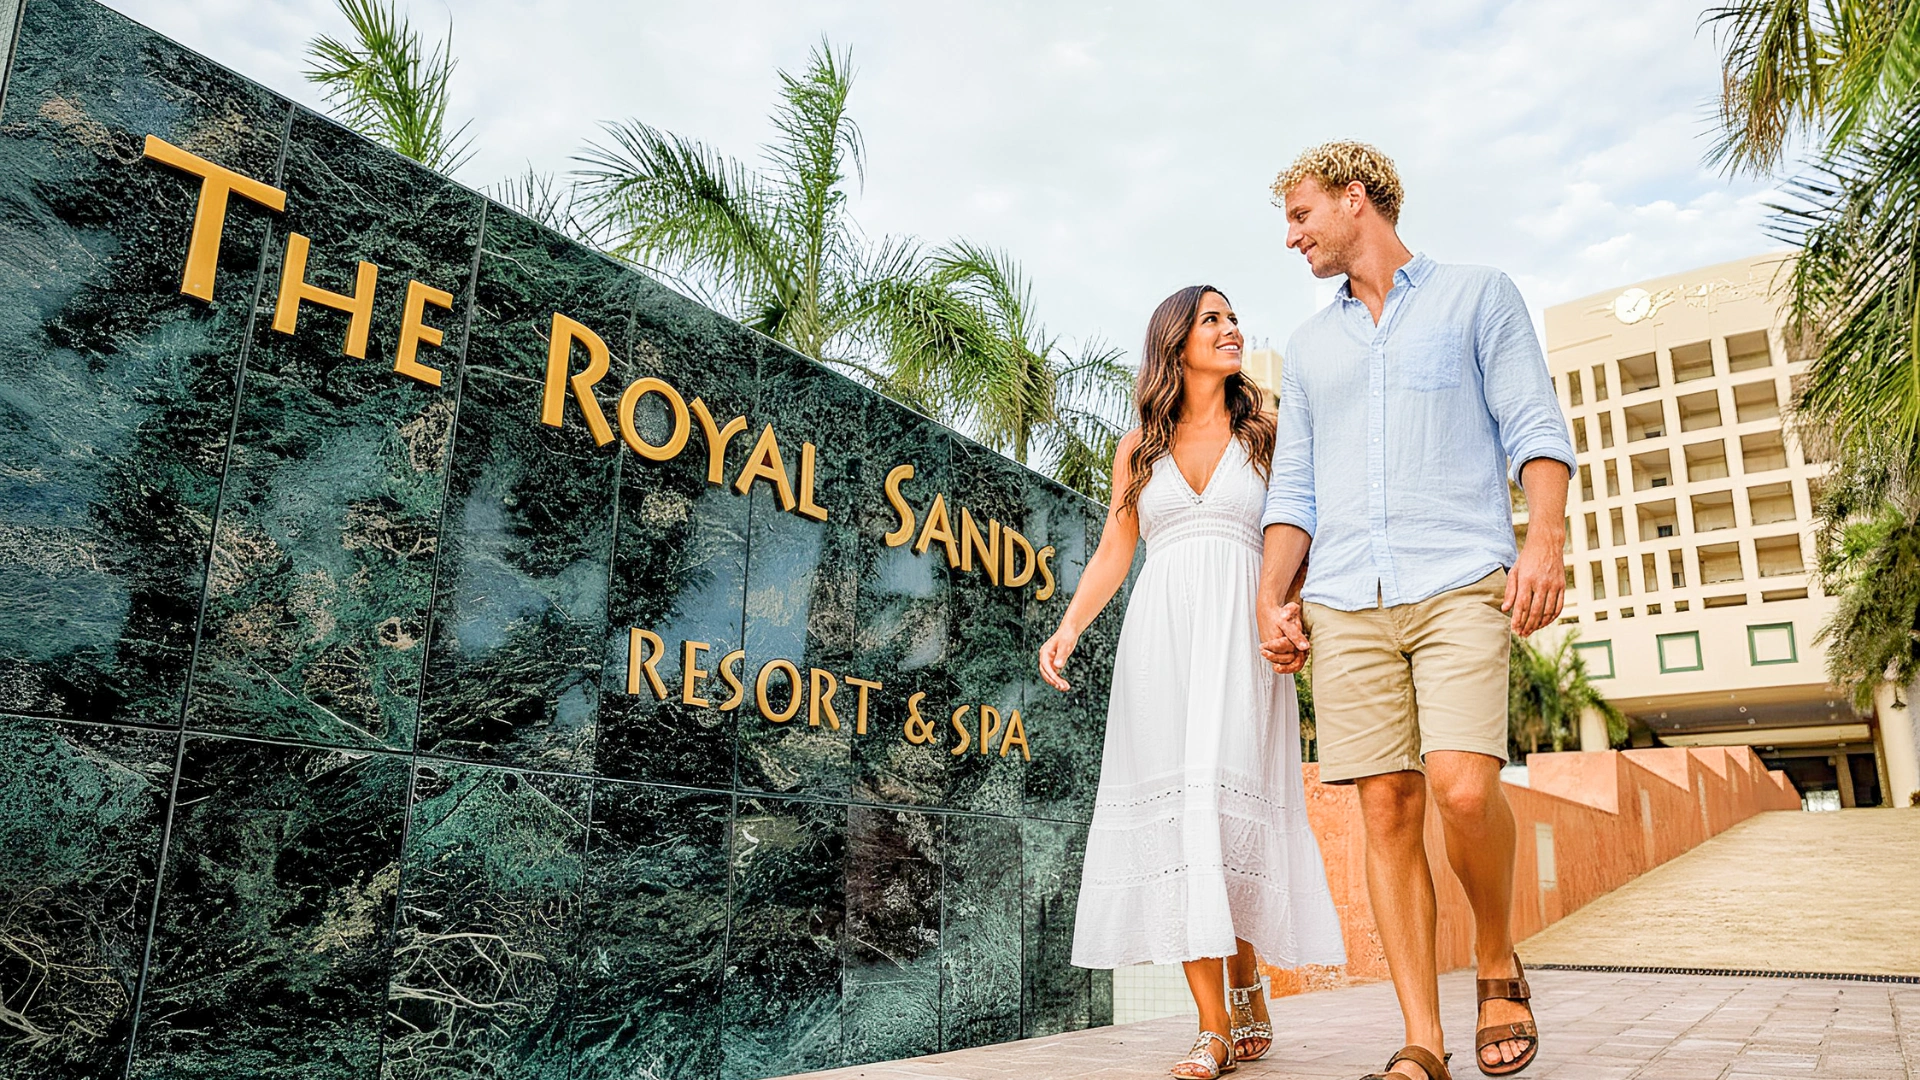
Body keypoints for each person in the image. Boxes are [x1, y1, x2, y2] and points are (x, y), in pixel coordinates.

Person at [1255, 142, 1574, 1080]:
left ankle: (1495, 956)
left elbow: (1533, 426)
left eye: (1301, 215)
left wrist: (1544, 540)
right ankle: (1422, 1041)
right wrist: (1271, 596)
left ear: (1355, 198)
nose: (1292, 238)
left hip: (1460, 578)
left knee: (1463, 788)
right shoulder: (1311, 348)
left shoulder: (1478, 296)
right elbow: (1295, 489)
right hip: (1345, 598)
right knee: (1387, 809)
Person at [1039, 285, 1346, 1080]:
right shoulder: (1138, 447)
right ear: (1176, 342)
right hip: (1161, 642)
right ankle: (1212, 1027)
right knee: (1183, 823)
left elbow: (1301, 533)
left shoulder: (1266, 434)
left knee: (1225, 817)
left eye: (1234, 317)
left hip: (1244, 639)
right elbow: (1116, 548)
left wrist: (1293, 611)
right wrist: (1070, 627)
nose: (1231, 328)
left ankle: (1246, 978)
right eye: (1213, 319)